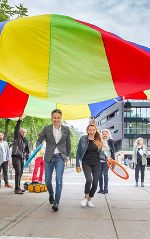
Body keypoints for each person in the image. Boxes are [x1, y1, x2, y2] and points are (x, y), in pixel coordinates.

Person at [36, 109, 71, 212]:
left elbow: (68, 144)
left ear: (61, 118)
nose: (56, 119)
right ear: (52, 118)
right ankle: (51, 194)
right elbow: (39, 141)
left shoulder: (66, 129)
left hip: (60, 157)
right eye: (54, 118)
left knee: (59, 180)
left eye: (58, 118)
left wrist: (67, 155)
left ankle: (56, 202)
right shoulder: (46, 128)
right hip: (49, 157)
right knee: (47, 180)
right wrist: (40, 150)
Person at [76, 124, 107, 208]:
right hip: (86, 162)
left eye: (93, 130)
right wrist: (77, 164)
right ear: (87, 130)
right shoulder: (82, 139)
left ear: (95, 131)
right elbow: (78, 152)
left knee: (95, 183)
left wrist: (107, 158)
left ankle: (90, 198)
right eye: (90, 130)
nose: (92, 131)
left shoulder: (98, 139)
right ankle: (85, 197)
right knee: (89, 180)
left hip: (97, 163)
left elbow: (102, 153)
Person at [12, 117, 29, 194]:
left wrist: (26, 155)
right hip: (16, 156)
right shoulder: (17, 137)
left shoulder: (25, 140)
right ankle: (16, 189)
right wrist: (20, 120)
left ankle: (18, 187)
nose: (24, 133)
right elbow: (16, 128)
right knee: (18, 172)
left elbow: (26, 150)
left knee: (21, 172)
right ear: (20, 132)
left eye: (25, 132)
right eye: (22, 132)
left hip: (22, 158)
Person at [98, 129, 115, 194]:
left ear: (108, 134)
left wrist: (113, 161)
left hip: (107, 160)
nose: (104, 135)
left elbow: (113, 151)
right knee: (99, 175)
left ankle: (106, 189)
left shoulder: (110, 141)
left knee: (105, 174)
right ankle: (101, 188)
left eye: (105, 134)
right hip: (99, 160)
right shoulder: (99, 141)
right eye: (103, 134)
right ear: (101, 135)